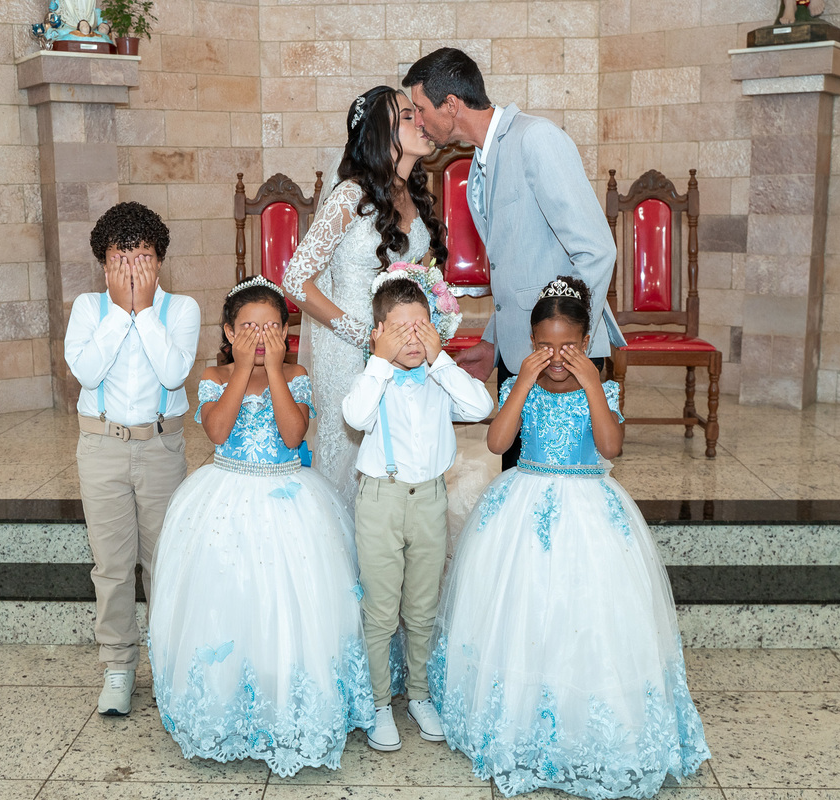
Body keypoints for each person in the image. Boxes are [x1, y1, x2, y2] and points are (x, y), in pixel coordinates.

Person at [428, 276, 710, 797]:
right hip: (523, 504)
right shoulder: (523, 385)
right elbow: (496, 441)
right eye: (542, 346)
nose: (555, 356)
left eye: (568, 347)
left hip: (588, 510)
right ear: (530, 345)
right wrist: (519, 382)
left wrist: (591, 385)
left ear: (586, 345)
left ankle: (587, 719)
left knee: (586, 614)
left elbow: (611, 445)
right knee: (525, 612)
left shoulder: (603, 390)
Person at [148, 277, 374, 777]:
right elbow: (217, 430)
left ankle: (285, 699)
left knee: (289, 604)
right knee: (228, 601)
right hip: (224, 496)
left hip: (290, 497)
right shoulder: (212, 373)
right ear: (228, 331)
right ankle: (227, 703)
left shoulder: (294, 372)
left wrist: (271, 368)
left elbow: (294, 434)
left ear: (287, 331)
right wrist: (242, 370)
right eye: (247, 326)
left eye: (270, 326)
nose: (258, 334)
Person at [403, 48, 626, 470]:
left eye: (421, 108)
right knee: (522, 477)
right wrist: (494, 340)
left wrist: (569, 344)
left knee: (565, 481)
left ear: (451, 105)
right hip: (523, 354)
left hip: (560, 356)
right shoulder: (478, 169)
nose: (419, 120)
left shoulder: (535, 139)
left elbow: (597, 251)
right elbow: (517, 267)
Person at [341, 275, 493, 752]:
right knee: (382, 610)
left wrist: (440, 360)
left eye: (421, 326)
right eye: (399, 329)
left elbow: (481, 405)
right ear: (377, 333)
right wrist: (380, 364)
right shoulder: (372, 380)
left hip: (429, 500)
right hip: (381, 502)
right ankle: (380, 701)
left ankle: (421, 695)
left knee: (423, 606)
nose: (412, 337)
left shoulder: (439, 377)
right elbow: (356, 417)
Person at [64, 201, 201, 717]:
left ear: (159, 261)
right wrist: (120, 313)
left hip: (160, 446)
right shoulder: (88, 309)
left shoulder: (181, 310)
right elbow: (88, 372)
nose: (130, 269)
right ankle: (119, 667)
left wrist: (143, 313)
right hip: (101, 446)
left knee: (162, 563)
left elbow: (172, 373)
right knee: (113, 566)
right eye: (121, 258)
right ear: (104, 263)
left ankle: (167, 663)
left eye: (141, 256)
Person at [283, 85, 447, 507]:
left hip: (402, 346)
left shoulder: (416, 198)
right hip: (350, 347)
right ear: (379, 134)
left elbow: (421, 277)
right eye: (408, 117)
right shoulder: (350, 198)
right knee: (351, 462)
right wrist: (361, 334)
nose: (421, 122)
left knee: (398, 451)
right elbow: (296, 279)